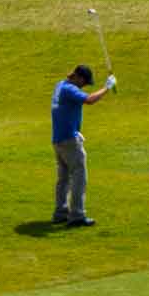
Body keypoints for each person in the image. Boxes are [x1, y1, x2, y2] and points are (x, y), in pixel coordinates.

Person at [52, 63, 116, 227]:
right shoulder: (69, 89)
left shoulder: (60, 85)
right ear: (78, 77)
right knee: (79, 177)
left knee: (64, 178)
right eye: (84, 82)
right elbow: (89, 100)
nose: (84, 86)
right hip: (69, 141)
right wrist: (107, 87)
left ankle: (60, 212)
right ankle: (77, 216)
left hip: (58, 139)